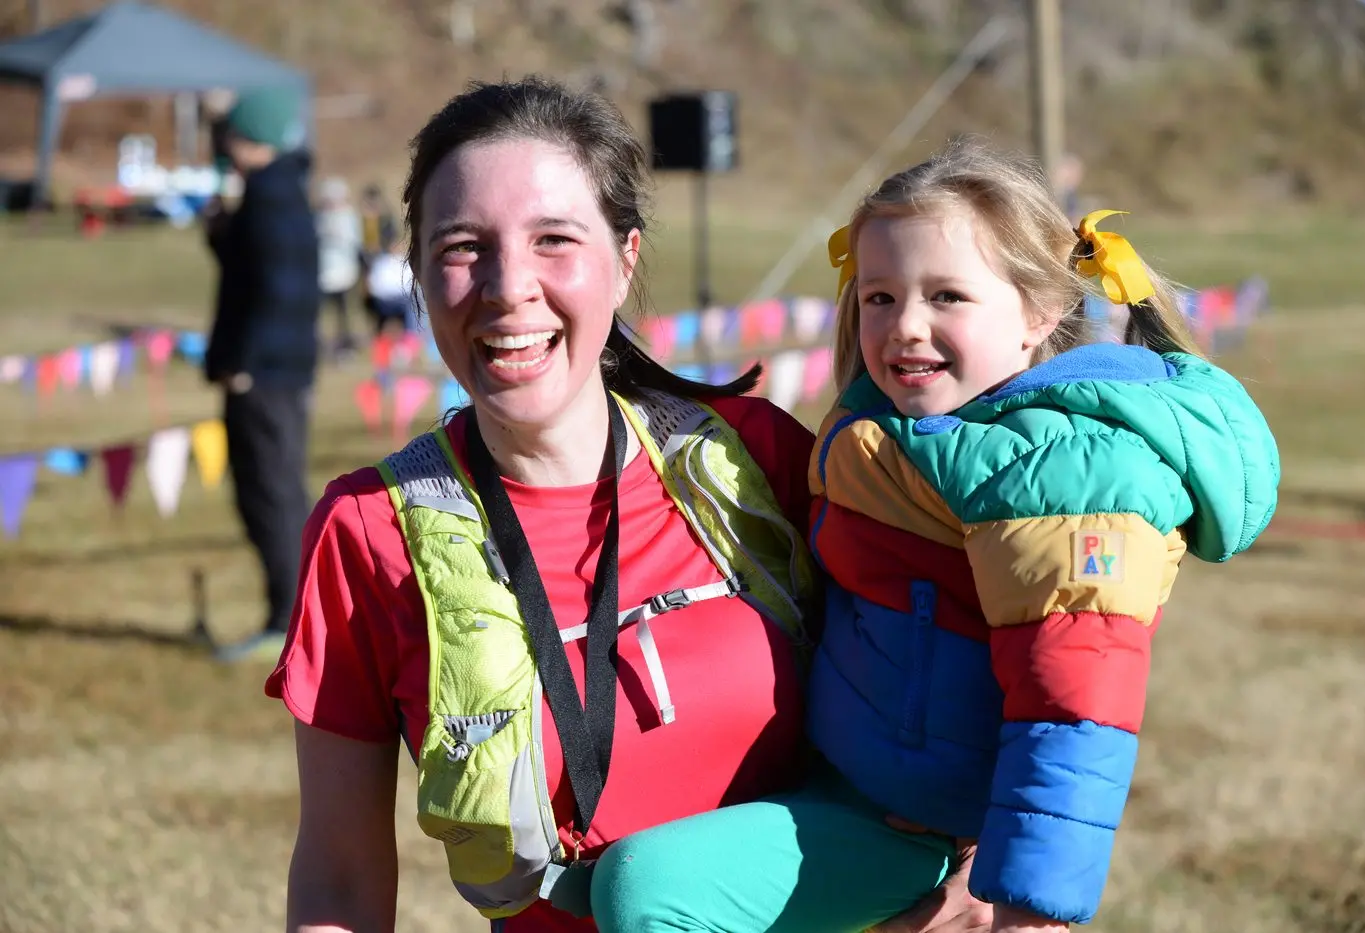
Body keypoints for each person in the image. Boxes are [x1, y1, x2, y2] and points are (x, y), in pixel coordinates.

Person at [265, 78, 993, 933]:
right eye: (463, 246)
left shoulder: (750, 457)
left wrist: (984, 865)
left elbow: (984, 633)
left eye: (553, 240)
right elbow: (341, 883)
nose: (507, 286)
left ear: (625, 260)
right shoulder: (368, 532)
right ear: (418, 276)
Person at [589, 141, 1281, 932]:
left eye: (947, 295)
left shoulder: (1062, 476)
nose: (906, 327)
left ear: (1039, 313)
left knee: (643, 893)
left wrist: (1022, 905)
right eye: (880, 297)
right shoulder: (891, 431)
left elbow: (1076, 705)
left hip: (913, 834)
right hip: (838, 780)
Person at [202, 87, 321, 663]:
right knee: (272, 488)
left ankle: (287, 620)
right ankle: (293, 612)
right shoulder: (279, 190)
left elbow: (277, 292)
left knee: (269, 492)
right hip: (276, 370)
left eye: (229, 134)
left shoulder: (271, 197)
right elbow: (254, 272)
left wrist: (246, 365)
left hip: (265, 375)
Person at [316, 176, 363, 356]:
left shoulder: (348, 217)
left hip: (344, 273)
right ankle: (323, 346)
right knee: (321, 315)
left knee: (345, 313)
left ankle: (346, 344)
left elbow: (355, 241)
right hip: (323, 274)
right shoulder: (319, 218)